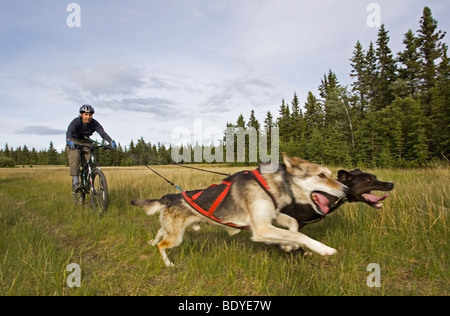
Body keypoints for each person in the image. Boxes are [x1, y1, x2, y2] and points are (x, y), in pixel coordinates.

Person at [66, 104, 116, 191]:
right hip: (74, 141)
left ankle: (89, 183)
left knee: (91, 161)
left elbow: (102, 133)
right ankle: (76, 182)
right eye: (86, 114)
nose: (88, 117)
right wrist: (69, 140)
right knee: (75, 156)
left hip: (86, 142)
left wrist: (111, 141)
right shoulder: (76, 122)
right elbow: (69, 131)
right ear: (81, 115)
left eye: (90, 115)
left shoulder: (94, 123)